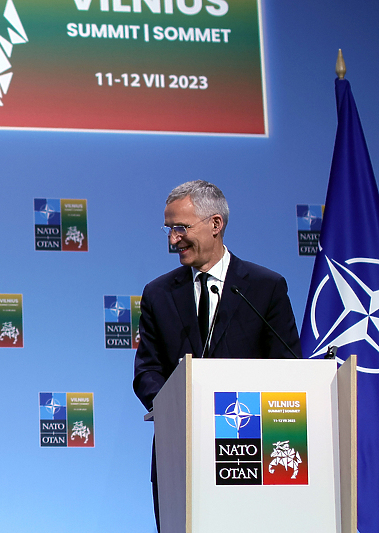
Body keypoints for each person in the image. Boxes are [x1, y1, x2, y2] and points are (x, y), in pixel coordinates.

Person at [133, 180, 300, 530]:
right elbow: (147, 370)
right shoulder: (158, 293)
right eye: (169, 228)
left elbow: (288, 367)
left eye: (181, 227)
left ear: (215, 224)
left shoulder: (265, 287)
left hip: (248, 448)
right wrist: (172, 404)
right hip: (180, 452)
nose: (172, 238)